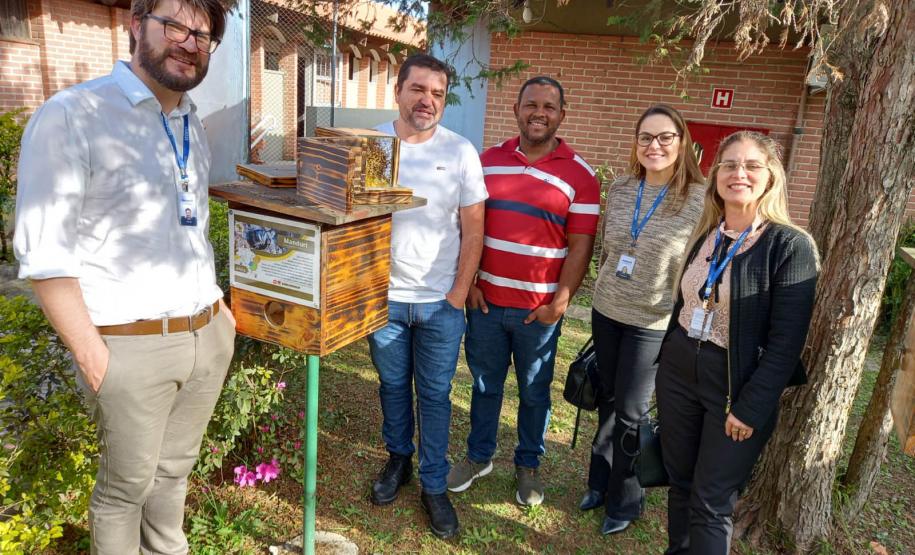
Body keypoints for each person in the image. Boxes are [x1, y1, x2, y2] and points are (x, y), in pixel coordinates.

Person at [13, 1, 233, 553]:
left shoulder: (190, 122)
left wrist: (219, 316)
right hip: (128, 347)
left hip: (205, 334)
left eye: (203, 35)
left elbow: (190, 228)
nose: (189, 42)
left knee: (173, 475)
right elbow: (46, 256)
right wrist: (94, 358)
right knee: (124, 491)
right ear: (137, 26)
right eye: (175, 25)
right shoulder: (74, 114)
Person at [656, 131, 818, 554]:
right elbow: (685, 303)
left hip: (735, 385)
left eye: (751, 166)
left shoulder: (789, 245)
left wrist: (751, 407)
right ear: (715, 177)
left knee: (711, 500)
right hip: (678, 371)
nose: (738, 173)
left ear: (771, 178)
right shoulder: (708, 233)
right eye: (728, 164)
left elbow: (787, 344)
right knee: (680, 483)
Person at [447, 76, 600, 506]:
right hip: (487, 305)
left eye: (549, 106)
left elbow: (581, 243)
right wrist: (472, 281)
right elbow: (468, 226)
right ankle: (479, 457)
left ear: (561, 115)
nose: (539, 113)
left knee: (534, 391)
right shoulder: (485, 162)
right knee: (483, 385)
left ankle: (528, 465)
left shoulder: (581, 175)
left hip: (539, 313)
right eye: (531, 104)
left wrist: (561, 301)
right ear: (516, 109)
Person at [366, 53, 487, 539]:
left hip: (440, 303)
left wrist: (458, 293)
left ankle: (434, 485)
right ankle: (400, 460)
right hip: (384, 301)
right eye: (418, 89)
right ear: (398, 91)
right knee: (392, 386)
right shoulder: (373, 145)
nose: (427, 101)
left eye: (437, 93)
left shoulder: (460, 152)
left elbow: (474, 228)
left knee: (435, 394)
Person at [579, 104, 705, 535]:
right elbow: (608, 249)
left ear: (682, 142)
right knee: (608, 400)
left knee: (632, 410)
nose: (654, 145)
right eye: (646, 137)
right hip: (607, 310)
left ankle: (626, 500)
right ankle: (599, 481)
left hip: (652, 321)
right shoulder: (620, 188)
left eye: (665, 137)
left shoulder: (700, 198)